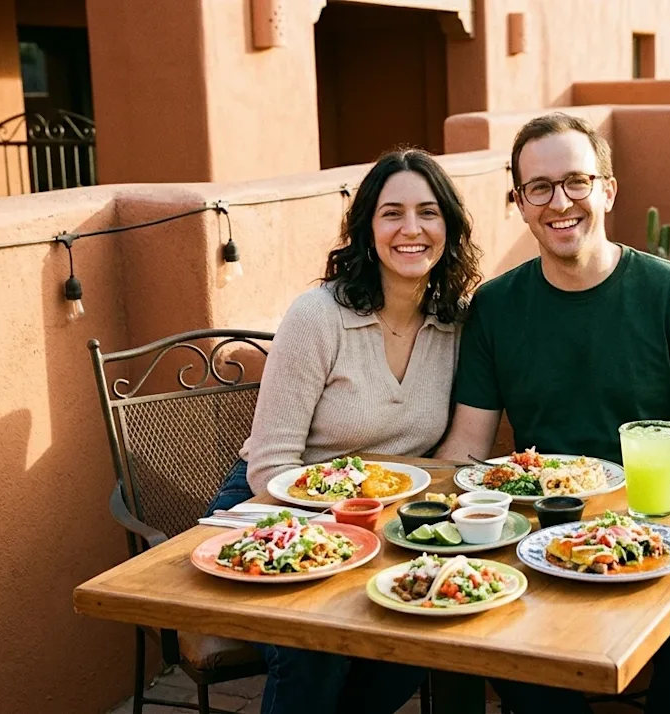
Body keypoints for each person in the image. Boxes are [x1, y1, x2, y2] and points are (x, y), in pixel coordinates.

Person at [434, 113, 670, 714]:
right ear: (520, 203)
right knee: (502, 641)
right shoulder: (495, 306)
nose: (560, 202)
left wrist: (653, 526)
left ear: (607, 189)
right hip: (537, 525)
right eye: (539, 188)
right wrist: (431, 517)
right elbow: (467, 445)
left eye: (576, 181)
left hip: (663, 518)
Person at [205, 147, 483, 714]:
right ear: (366, 229)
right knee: (317, 645)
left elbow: (456, 452)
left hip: (389, 519)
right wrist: (345, 527)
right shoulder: (319, 316)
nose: (412, 229)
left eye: (429, 213)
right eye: (392, 213)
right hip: (280, 512)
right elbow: (269, 467)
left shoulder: (456, 324)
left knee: (429, 618)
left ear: (448, 228)